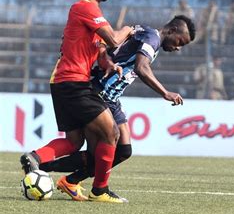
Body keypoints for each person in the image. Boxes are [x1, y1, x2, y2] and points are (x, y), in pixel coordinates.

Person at [39, 16, 196, 199]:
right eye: (179, 42)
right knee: (95, 153)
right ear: (171, 31)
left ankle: (71, 180)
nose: (178, 48)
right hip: (101, 93)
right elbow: (141, 68)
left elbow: (115, 43)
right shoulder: (152, 38)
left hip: (112, 98)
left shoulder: (145, 32)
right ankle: (45, 169)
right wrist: (165, 93)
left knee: (123, 151)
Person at [20, 0, 134, 203]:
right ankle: (100, 190)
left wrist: (107, 65)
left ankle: (35, 158)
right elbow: (113, 40)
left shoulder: (89, 14)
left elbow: (97, 50)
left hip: (64, 82)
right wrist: (127, 30)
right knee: (111, 131)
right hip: (74, 83)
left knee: (74, 141)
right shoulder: (85, 7)